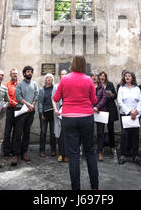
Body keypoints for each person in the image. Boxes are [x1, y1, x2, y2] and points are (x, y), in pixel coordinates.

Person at [53, 55, 99, 190]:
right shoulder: (89, 80)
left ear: (72, 64)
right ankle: (95, 187)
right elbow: (94, 100)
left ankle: (76, 188)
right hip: (86, 117)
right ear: (84, 65)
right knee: (90, 152)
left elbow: (56, 98)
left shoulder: (65, 79)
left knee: (73, 155)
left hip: (69, 118)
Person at [12, 65, 38, 166]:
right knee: (18, 133)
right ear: (24, 74)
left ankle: (24, 153)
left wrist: (33, 105)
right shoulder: (19, 84)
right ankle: (15, 154)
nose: (29, 73)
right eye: (28, 71)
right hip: (21, 110)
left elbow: (36, 95)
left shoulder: (35, 84)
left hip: (30, 111)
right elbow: (18, 96)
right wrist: (28, 105)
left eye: (31, 71)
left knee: (27, 132)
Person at [117, 71, 141, 165]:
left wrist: (136, 112)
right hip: (125, 114)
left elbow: (140, 101)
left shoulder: (137, 88)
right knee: (124, 135)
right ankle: (123, 155)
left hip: (135, 115)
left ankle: (135, 155)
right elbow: (120, 102)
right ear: (124, 78)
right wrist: (129, 111)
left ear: (132, 78)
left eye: (129, 76)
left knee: (135, 135)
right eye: (126, 76)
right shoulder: (121, 88)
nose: (127, 77)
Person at [98, 71, 119, 154]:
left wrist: (112, 95)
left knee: (111, 129)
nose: (102, 77)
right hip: (101, 109)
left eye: (104, 76)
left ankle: (112, 146)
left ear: (105, 77)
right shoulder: (98, 85)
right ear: (99, 77)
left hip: (110, 108)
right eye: (101, 76)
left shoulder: (110, 84)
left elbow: (115, 96)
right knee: (101, 129)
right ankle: (101, 146)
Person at [38, 73, 57, 157]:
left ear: (52, 79)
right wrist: (41, 113)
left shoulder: (55, 89)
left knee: (53, 133)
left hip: (53, 113)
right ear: (45, 79)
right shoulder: (42, 90)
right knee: (43, 132)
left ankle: (53, 150)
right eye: (47, 78)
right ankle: (42, 150)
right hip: (44, 114)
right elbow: (40, 103)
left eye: (50, 77)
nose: (49, 79)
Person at [90, 70, 107, 161]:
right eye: (92, 76)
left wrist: (97, 107)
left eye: (96, 76)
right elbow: (86, 97)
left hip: (100, 112)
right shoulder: (88, 86)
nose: (94, 77)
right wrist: (93, 107)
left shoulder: (102, 88)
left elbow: (104, 98)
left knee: (100, 133)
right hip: (90, 112)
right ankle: (91, 151)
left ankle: (100, 152)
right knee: (90, 133)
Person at [2, 68, 18, 157]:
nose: (15, 75)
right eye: (13, 73)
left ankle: (13, 149)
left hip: (19, 110)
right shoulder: (6, 85)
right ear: (10, 75)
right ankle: (6, 151)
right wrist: (15, 103)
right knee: (8, 130)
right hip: (10, 109)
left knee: (16, 131)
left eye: (16, 73)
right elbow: (7, 97)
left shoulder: (20, 84)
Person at [53, 69, 68, 162]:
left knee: (67, 133)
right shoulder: (56, 86)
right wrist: (55, 110)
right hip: (59, 112)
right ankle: (61, 154)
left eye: (65, 74)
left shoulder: (70, 85)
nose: (64, 76)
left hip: (68, 112)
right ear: (60, 76)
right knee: (59, 134)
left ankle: (66, 154)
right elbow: (53, 99)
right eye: (62, 74)